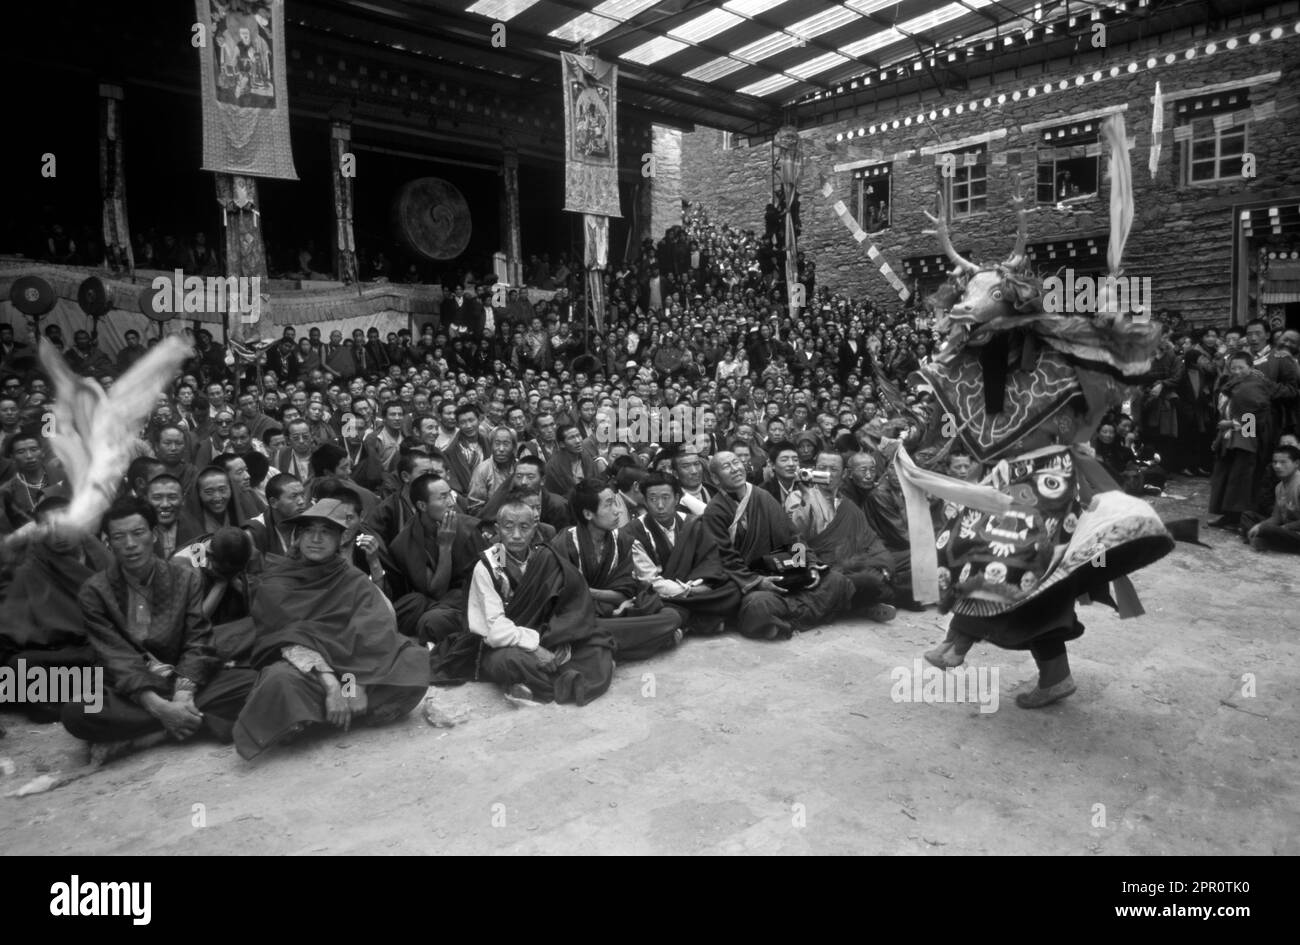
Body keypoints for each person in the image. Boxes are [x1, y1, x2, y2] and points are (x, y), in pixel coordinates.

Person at [62, 498, 258, 762]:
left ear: (153, 535)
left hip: (186, 678)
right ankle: (186, 722)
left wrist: (183, 692)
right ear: (107, 542)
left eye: (138, 533)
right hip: (133, 688)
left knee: (254, 681)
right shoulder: (94, 592)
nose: (130, 544)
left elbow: (198, 638)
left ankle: (150, 733)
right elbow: (116, 656)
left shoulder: (184, 577)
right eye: (119, 537)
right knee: (77, 712)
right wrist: (159, 707)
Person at [232, 499, 430, 760]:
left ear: (340, 540)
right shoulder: (276, 583)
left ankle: (321, 718)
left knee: (413, 657)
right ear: (297, 537)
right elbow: (287, 641)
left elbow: (372, 632)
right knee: (278, 680)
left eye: (326, 532)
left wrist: (351, 685)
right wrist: (332, 687)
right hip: (310, 672)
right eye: (308, 531)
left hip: (355, 668)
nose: (316, 539)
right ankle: (329, 713)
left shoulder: (351, 578)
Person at [431, 497, 614, 705]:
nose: (516, 535)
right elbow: (494, 628)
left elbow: (570, 602)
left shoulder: (544, 557)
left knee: (597, 641)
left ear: (535, 528)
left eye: (524, 527)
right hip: (504, 644)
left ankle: (532, 683)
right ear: (497, 529)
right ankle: (564, 679)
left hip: (546, 635)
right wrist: (535, 648)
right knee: (508, 662)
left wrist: (559, 637)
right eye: (508, 527)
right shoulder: (492, 564)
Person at [700, 451, 854, 640]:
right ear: (715, 478)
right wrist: (758, 582)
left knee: (837, 581)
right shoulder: (715, 511)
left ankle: (783, 622)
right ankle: (805, 614)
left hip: (784, 572)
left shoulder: (761, 496)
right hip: (752, 580)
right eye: (726, 467)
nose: (735, 469)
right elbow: (724, 558)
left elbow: (793, 536)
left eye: (736, 462)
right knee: (757, 605)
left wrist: (808, 566)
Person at [0, 497, 112, 720]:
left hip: (95, 647)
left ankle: (47, 700)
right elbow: (14, 617)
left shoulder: (100, 556)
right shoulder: (33, 562)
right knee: (16, 664)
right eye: (48, 528)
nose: (59, 536)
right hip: (52, 649)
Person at [551, 481, 682, 661]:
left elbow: (624, 592)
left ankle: (601, 644)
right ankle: (648, 640)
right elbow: (563, 596)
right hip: (582, 617)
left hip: (614, 614)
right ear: (588, 514)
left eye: (615, 502)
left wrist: (614, 603)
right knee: (573, 627)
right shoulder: (564, 543)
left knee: (671, 616)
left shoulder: (622, 540)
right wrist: (600, 599)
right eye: (608, 505)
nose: (618, 511)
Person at [787, 452, 898, 622]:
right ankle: (859, 606)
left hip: (848, 564)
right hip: (818, 568)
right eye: (822, 469)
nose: (827, 474)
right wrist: (806, 494)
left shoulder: (848, 505)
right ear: (813, 470)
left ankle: (852, 603)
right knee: (868, 582)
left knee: (888, 577)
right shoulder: (798, 496)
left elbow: (869, 539)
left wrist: (882, 563)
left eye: (833, 470)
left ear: (844, 474)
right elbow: (794, 535)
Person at [625, 472, 740, 634]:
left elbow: (709, 562)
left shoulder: (693, 523)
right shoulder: (632, 532)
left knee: (732, 589)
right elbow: (648, 580)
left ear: (677, 498)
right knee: (648, 602)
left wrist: (700, 585)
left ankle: (687, 622)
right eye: (652, 499)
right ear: (644, 500)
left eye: (666, 498)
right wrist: (688, 591)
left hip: (695, 588)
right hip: (663, 594)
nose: (659, 505)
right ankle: (700, 620)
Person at [388, 474, 485, 643]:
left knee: (431, 620)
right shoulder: (405, 542)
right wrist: (445, 546)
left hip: (470, 597)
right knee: (420, 611)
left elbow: (497, 562)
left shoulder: (468, 527)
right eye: (443, 497)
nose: (451, 502)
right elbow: (436, 591)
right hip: (436, 602)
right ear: (422, 505)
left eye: (450, 494)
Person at [1208, 351, 1275, 529]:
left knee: (1241, 478)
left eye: (1241, 368)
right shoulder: (1233, 384)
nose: (1236, 371)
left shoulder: (1255, 385)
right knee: (1226, 475)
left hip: (1246, 438)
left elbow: (1256, 419)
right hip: (1230, 436)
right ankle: (1227, 515)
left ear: (1250, 367)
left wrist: (1231, 423)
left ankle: (1239, 517)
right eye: (1233, 368)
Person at [1241, 444, 1300, 553]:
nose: (1277, 466)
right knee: (1248, 516)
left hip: (1295, 532)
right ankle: (1264, 540)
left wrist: (1282, 528)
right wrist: (1261, 525)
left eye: (1283, 462)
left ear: (1296, 463)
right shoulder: (1279, 487)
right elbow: (1276, 518)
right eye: (1275, 462)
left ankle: (1263, 540)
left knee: (1266, 529)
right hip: (1284, 530)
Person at [466, 426, 516, 515]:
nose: (501, 449)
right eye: (497, 443)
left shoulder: (519, 468)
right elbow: (475, 507)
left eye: (506, 444)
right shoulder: (482, 470)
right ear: (491, 446)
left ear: (513, 447)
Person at [543, 423, 596, 495]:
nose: (578, 441)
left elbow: (597, 482)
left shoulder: (586, 457)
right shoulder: (553, 466)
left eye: (578, 436)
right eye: (571, 438)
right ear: (562, 444)